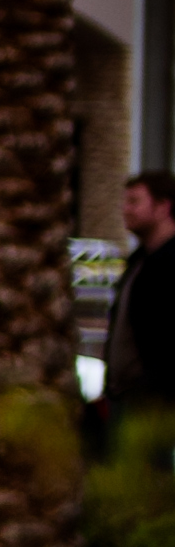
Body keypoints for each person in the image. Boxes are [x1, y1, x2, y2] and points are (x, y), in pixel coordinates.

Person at [112, 169, 175, 426]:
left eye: (134, 201)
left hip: (157, 405)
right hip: (128, 399)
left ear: (162, 207)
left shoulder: (168, 264)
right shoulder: (138, 262)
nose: (125, 210)